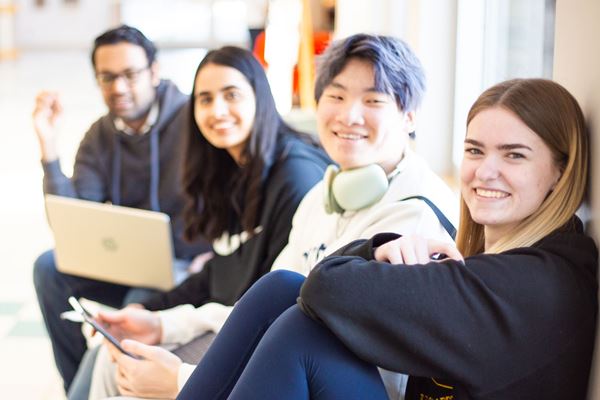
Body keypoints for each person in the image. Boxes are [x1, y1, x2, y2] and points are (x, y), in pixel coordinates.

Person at [175, 78, 598, 400]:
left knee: (300, 332)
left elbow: (326, 286)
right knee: (282, 289)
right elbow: (314, 286)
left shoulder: (532, 283)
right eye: (474, 151)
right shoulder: (499, 261)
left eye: (514, 155)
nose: (485, 171)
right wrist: (381, 247)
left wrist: (375, 248)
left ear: (561, 171)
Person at [97, 33, 458, 400]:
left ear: (409, 117)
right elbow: (257, 314)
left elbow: (344, 355)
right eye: (336, 96)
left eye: (373, 100)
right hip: (290, 368)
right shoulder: (322, 197)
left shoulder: (414, 216)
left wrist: (180, 380)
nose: (349, 115)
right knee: (120, 359)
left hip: (352, 386)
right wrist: (163, 325)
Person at [31, 25, 212, 394]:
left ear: (154, 72)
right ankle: (76, 386)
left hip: (187, 264)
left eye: (130, 74)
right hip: (129, 260)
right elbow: (72, 224)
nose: (118, 88)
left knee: (135, 306)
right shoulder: (100, 135)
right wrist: (49, 149)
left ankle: (95, 387)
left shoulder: (193, 120)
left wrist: (217, 251)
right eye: (107, 77)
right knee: (49, 268)